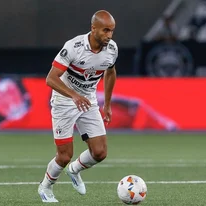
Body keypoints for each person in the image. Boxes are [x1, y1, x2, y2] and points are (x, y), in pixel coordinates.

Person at [38, 10, 118, 203]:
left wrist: (107, 104)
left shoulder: (112, 49)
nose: (109, 36)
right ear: (93, 28)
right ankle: (45, 187)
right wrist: (74, 96)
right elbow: (51, 78)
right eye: (105, 30)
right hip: (65, 100)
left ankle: (75, 170)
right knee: (64, 156)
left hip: (88, 100)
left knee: (100, 153)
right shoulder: (73, 47)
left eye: (112, 31)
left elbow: (110, 72)